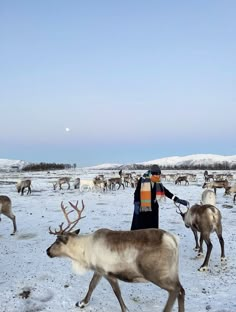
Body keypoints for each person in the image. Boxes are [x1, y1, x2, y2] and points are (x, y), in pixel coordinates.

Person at [131, 164, 189, 230]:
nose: (158, 176)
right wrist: (136, 202)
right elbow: (137, 192)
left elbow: (165, 191)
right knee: (141, 228)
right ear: (152, 174)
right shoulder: (143, 180)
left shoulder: (157, 182)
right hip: (143, 207)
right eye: (157, 175)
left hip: (153, 208)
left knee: (153, 229)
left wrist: (176, 199)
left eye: (159, 174)